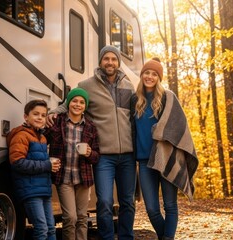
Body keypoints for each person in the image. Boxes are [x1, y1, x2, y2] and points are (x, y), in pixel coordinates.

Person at [47, 45, 136, 240]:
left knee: (128, 202)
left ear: (118, 62)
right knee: (104, 201)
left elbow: (136, 116)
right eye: (106, 59)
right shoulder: (87, 85)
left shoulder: (128, 86)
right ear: (100, 61)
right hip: (104, 155)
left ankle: (126, 237)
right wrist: (54, 112)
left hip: (128, 155)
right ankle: (106, 237)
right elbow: (69, 103)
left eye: (114, 59)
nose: (110, 62)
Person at [130, 58, 199, 240]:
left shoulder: (168, 97)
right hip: (145, 161)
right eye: (147, 72)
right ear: (142, 75)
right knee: (151, 208)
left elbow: (178, 125)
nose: (150, 77)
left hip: (166, 157)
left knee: (170, 205)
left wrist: (159, 130)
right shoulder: (134, 100)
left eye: (154, 74)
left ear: (159, 78)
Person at [44, 88, 100, 240]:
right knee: (70, 218)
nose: (78, 104)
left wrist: (89, 153)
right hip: (63, 177)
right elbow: (41, 141)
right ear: (68, 103)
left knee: (82, 217)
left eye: (82, 102)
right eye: (74, 101)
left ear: (85, 106)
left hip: (83, 178)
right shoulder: (56, 121)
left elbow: (96, 157)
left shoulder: (90, 127)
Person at [7, 99, 60, 240]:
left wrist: (49, 165)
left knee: (51, 229)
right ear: (26, 116)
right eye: (36, 114)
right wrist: (47, 165)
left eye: (43, 115)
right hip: (30, 191)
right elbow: (17, 162)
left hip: (44, 190)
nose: (40, 118)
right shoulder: (21, 135)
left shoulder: (42, 138)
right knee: (41, 230)